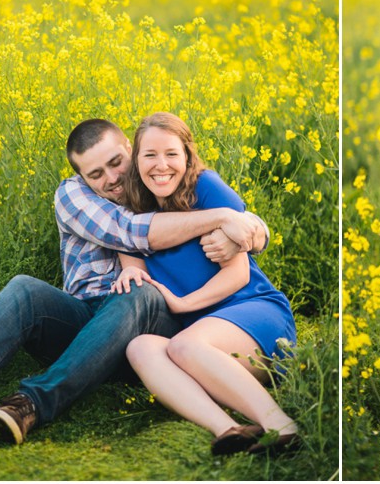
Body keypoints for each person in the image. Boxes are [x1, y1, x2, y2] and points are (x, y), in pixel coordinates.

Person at [0, 118, 268, 445]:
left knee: (139, 290)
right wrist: (223, 218)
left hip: (149, 325)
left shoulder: (158, 179)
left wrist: (253, 229)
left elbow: (235, 215)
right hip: (86, 317)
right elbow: (130, 230)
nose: (111, 179)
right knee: (26, 288)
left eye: (116, 163)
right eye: (95, 174)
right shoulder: (73, 194)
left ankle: (33, 404)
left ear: (129, 149)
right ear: (81, 176)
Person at [112, 112, 299, 456]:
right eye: (149, 155)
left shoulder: (206, 188)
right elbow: (132, 264)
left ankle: (281, 425)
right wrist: (126, 271)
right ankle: (229, 428)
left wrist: (183, 305)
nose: (160, 165)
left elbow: (239, 273)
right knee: (139, 348)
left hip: (251, 311)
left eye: (171, 154)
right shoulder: (130, 214)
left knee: (183, 345)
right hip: (202, 341)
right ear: (135, 160)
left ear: (187, 156)